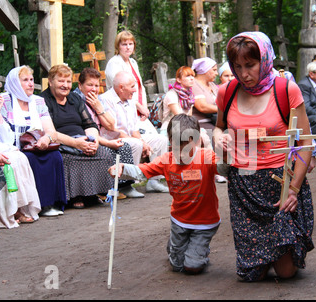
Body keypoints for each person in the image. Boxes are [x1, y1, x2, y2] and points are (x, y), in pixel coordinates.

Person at [213, 31, 314, 282]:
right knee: (251, 276)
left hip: (280, 183)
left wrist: (293, 189)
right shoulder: (227, 91)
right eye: (237, 66)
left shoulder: (286, 90)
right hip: (243, 183)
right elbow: (218, 125)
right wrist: (217, 136)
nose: (243, 73)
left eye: (250, 65)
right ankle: (261, 256)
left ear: (265, 60)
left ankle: (279, 253)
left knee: (286, 273)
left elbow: (305, 143)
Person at [109, 114, 222, 274]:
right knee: (177, 266)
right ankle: (182, 245)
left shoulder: (206, 157)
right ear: (170, 141)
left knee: (191, 267)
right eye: (177, 146)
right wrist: (122, 168)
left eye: (186, 147)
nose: (182, 152)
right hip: (180, 219)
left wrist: (226, 152)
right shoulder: (166, 159)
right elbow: (143, 171)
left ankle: (199, 250)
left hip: (205, 222)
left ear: (196, 141)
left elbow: (225, 168)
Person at [40, 64, 114, 209]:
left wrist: (93, 141)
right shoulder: (43, 100)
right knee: (69, 159)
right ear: (50, 82)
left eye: (68, 82)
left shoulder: (75, 99)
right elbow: (50, 132)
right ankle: (74, 196)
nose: (65, 85)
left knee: (104, 153)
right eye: (61, 81)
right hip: (60, 142)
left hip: (83, 139)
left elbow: (90, 124)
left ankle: (93, 194)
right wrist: (76, 143)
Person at [1, 66, 67, 217]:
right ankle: (36, 205)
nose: (30, 83)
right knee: (29, 158)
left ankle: (52, 203)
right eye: (25, 80)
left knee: (54, 156)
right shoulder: (5, 100)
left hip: (37, 144)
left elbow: (51, 130)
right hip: (15, 148)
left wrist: (46, 138)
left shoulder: (38, 101)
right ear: (15, 83)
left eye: (31, 79)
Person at [0, 76, 41, 226]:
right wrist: (2, 152)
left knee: (20, 157)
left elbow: (7, 139)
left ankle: (19, 207)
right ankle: (8, 211)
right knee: (12, 160)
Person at [99, 71, 169, 193]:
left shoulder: (130, 100)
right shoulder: (106, 99)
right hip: (112, 139)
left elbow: (134, 129)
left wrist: (143, 142)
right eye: (132, 86)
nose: (135, 90)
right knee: (136, 144)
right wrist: (140, 143)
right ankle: (128, 184)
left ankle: (154, 181)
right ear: (121, 87)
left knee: (160, 140)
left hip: (129, 137)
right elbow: (115, 130)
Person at [74, 67, 134, 200]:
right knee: (108, 150)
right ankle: (104, 189)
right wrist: (107, 142)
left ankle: (125, 185)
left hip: (102, 135)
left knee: (124, 146)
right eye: (90, 85)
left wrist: (98, 108)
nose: (94, 89)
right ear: (80, 85)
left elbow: (112, 125)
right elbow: (85, 130)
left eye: (96, 85)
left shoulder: (97, 99)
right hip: (87, 138)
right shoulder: (76, 100)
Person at [104, 30, 150, 119]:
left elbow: (140, 87)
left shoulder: (133, 62)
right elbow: (122, 90)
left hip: (138, 110)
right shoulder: (114, 63)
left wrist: (144, 107)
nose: (128, 47)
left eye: (130, 44)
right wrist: (140, 107)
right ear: (118, 46)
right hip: (122, 110)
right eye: (124, 44)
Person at [191, 57, 219, 129]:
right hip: (200, 123)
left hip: (215, 120)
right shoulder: (193, 84)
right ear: (205, 70)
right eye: (214, 70)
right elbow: (202, 107)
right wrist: (225, 109)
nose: (217, 73)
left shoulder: (212, 85)